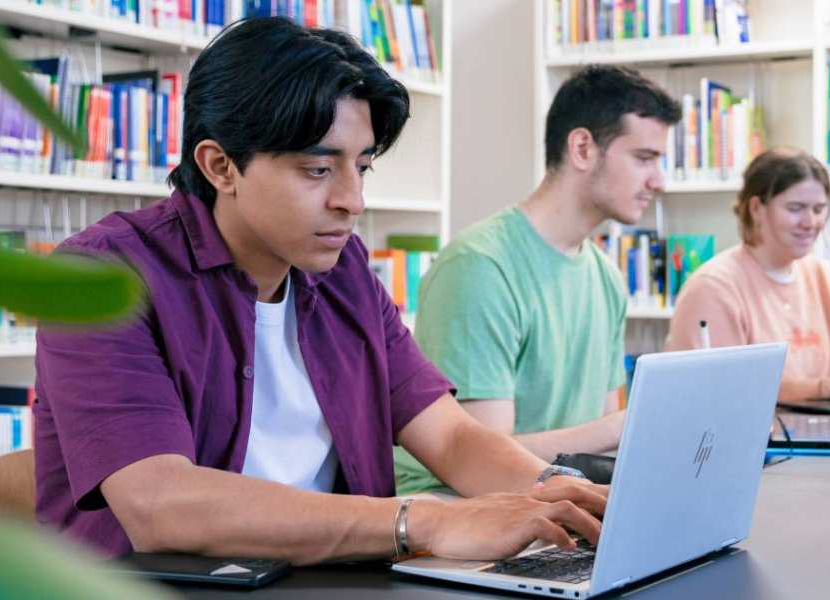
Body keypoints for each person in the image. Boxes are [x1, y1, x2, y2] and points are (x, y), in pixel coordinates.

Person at [30, 18, 608, 564]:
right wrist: (421, 521)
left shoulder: (344, 269)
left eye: (362, 167)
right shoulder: (102, 278)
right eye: (317, 169)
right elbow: (160, 504)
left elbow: (450, 435)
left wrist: (558, 493)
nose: (352, 200)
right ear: (220, 166)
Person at [392, 65, 682, 495]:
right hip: (456, 511)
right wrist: (627, 424)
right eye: (644, 158)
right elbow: (480, 461)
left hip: (554, 502)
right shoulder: (480, 267)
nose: (658, 181)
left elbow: (598, 443)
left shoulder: (606, 277)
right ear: (583, 148)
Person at [662, 147, 830, 409]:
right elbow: (723, 391)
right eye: (796, 208)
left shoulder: (828, 279)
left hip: (819, 431)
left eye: (819, 209)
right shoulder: (714, 287)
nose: (810, 222)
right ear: (756, 208)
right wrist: (820, 388)